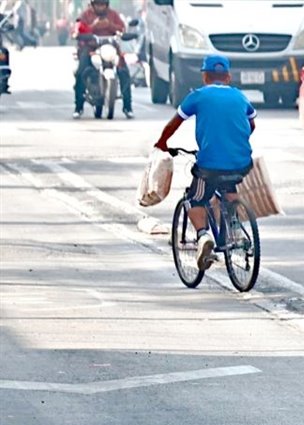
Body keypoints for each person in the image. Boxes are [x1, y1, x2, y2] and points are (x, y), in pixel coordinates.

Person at [153, 54, 257, 271]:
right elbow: (252, 124)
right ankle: (235, 228)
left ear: (205, 76)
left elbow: (174, 124)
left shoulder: (198, 96)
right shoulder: (240, 97)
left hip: (209, 165)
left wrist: (162, 143)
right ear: (227, 77)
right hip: (241, 162)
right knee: (228, 186)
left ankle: (203, 236)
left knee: (194, 198)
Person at [73, 0, 132, 119]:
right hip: (90, 49)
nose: (100, 7)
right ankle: (78, 107)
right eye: (98, 4)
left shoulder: (113, 15)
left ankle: (127, 106)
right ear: (93, 5)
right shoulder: (85, 15)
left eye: (103, 4)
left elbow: (122, 29)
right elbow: (78, 30)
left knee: (124, 71)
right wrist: (93, 27)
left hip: (111, 49)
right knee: (81, 72)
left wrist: (109, 25)